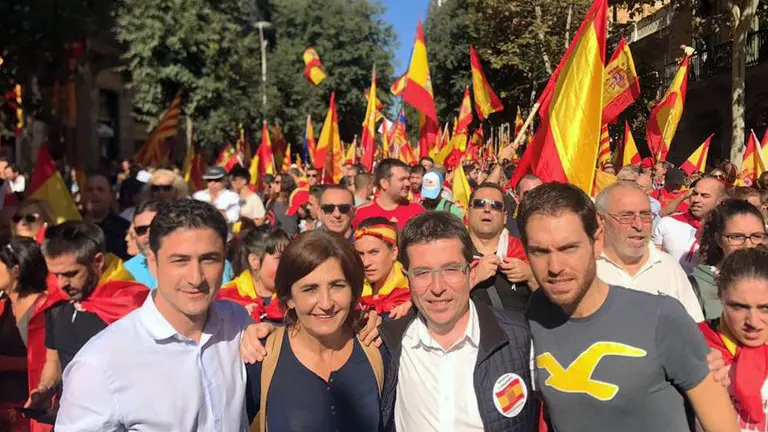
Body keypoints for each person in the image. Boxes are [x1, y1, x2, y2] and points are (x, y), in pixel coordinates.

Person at [519, 183, 737, 432]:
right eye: (539, 251)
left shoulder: (661, 317)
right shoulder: (534, 313)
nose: (555, 266)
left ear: (597, 239)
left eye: (569, 248)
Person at [55, 199, 251, 431]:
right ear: (152, 263)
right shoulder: (99, 364)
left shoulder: (238, 322)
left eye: (209, 259)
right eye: (180, 261)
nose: (196, 278)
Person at [378, 211, 537, 432]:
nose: (437, 287)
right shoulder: (386, 341)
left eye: (450, 270)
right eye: (423, 273)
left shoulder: (521, 337)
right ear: (408, 279)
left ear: (471, 273)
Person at [245, 229, 385, 432]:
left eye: (337, 286)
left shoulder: (377, 347)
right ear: (289, 298)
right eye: (310, 289)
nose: (326, 303)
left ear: (353, 291)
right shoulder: (261, 356)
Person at [25, 221, 149, 419]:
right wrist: (44, 389)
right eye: (56, 274)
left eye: (71, 274)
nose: (62, 284)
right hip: (69, 420)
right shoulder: (57, 304)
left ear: (98, 262)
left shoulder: (131, 304)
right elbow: (54, 359)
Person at [595, 182, 704, 322]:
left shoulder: (668, 267)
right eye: (626, 216)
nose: (639, 225)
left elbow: (694, 327)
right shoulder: (586, 266)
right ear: (601, 219)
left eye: (646, 215)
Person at [698, 247, 768, 431]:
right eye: (739, 307)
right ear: (720, 296)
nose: (753, 322)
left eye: (765, 308)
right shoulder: (694, 345)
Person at [124, 200, 235, 289]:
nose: (149, 234)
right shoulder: (125, 270)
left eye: (155, 227)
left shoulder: (218, 264)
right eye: (141, 229)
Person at [0, 237, 49, 431]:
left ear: (16, 270)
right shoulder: (5, 305)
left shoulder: (45, 308)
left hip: (31, 414)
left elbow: (52, 362)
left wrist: (5, 363)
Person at [692, 199, 767, 320]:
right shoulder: (697, 287)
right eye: (736, 237)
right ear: (718, 240)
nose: (748, 245)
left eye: (756, 236)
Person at [468, 183, 536, 312]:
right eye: (479, 203)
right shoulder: (452, 252)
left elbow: (551, 304)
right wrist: (473, 278)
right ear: (468, 212)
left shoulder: (526, 252)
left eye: (496, 205)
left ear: (505, 217)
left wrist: (531, 276)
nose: (487, 209)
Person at [653, 176, 727, 274]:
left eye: (704, 196)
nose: (696, 199)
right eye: (694, 194)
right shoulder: (668, 222)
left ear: (719, 201)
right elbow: (653, 263)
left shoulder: (725, 231)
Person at [218, 227, 290, 323]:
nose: (288, 265)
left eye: (289, 257)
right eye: (280, 258)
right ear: (254, 261)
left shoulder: (293, 297)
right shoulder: (226, 300)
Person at [354, 218, 411, 319]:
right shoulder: (353, 291)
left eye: (374, 252)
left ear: (394, 252)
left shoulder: (410, 295)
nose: (365, 262)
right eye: (360, 254)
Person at [353, 158, 424, 231]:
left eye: (408, 179)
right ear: (384, 183)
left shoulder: (417, 210)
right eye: (402, 179)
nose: (408, 183)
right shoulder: (361, 212)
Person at [84, 173, 131, 260]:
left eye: (100, 190)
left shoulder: (125, 229)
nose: (94, 193)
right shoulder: (73, 229)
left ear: (110, 196)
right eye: (90, 190)